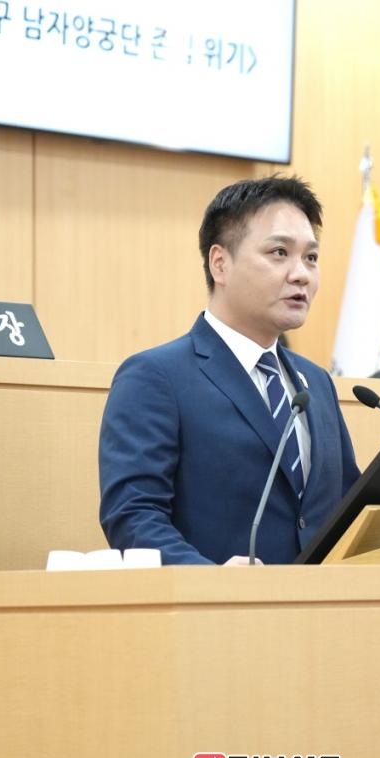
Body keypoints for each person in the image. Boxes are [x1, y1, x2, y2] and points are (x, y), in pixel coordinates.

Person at [99, 176, 360, 565]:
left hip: (320, 601)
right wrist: (212, 580)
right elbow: (133, 516)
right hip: (213, 602)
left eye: (311, 257)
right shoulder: (155, 377)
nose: (301, 274)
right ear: (220, 263)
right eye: (279, 253)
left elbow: (346, 510)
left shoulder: (316, 383)